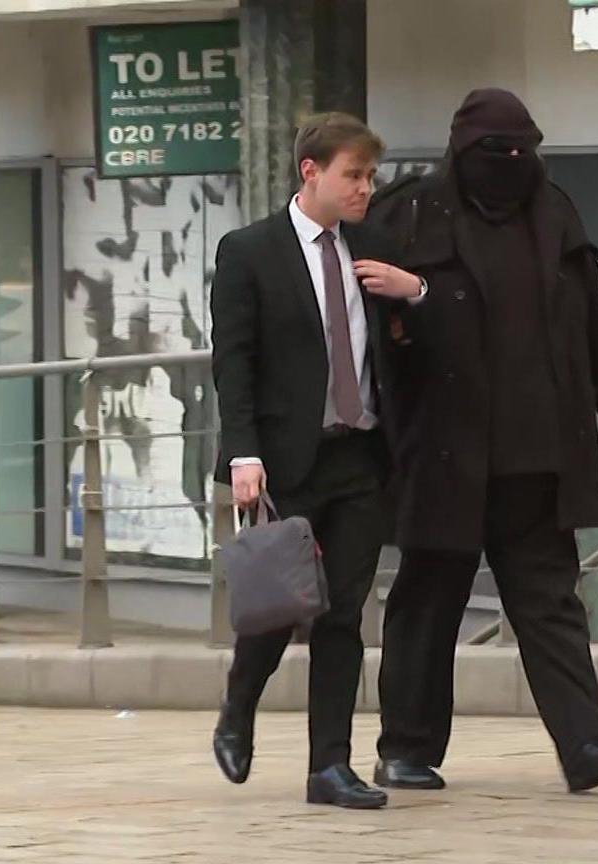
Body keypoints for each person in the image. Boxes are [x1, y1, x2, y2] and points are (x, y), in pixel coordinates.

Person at [367, 88, 598, 794]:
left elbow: (591, 323)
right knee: (429, 602)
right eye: (497, 153)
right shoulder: (411, 212)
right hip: (443, 449)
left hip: (538, 451)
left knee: (550, 603)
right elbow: (376, 334)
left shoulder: (556, 214)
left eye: (524, 151)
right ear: (463, 153)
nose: (511, 165)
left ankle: (585, 743)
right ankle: (406, 747)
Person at [209, 111, 426, 810]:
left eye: (370, 176)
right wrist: (243, 452)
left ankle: (329, 766)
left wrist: (413, 292)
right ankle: (239, 708)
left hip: (361, 456)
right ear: (312, 172)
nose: (366, 188)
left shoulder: (374, 246)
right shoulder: (250, 252)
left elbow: (406, 345)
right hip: (286, 459)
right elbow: (233, 363)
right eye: (353, 175)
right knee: (280, 607)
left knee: (343, 615)